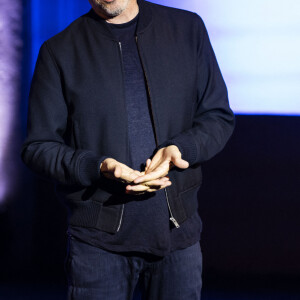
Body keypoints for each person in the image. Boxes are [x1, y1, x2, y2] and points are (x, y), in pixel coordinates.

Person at [21, 0, 235, 299]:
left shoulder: (187, 29)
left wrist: (181, 148)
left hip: (178, 237)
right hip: (97, 244)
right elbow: (38, 147)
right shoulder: (60, 50)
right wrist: (99, 166)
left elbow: (217, 117)